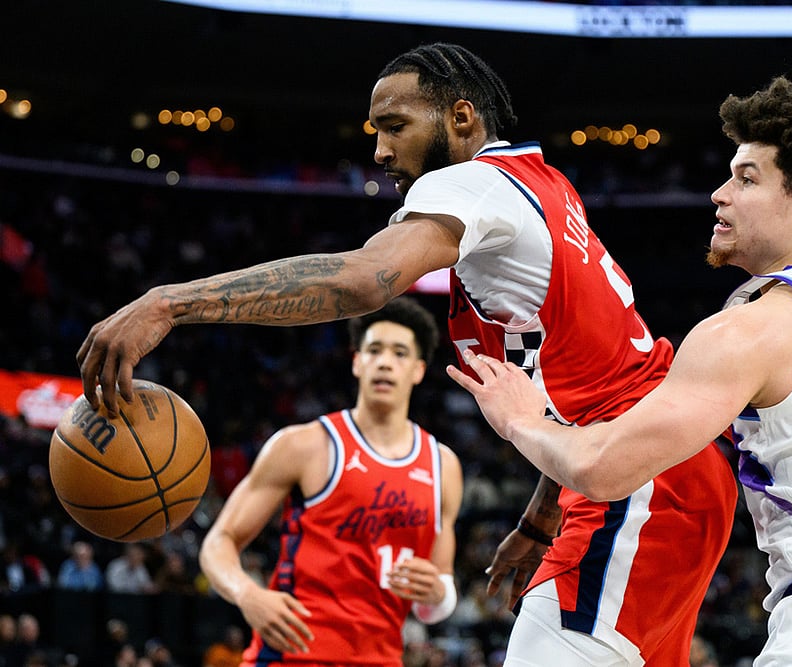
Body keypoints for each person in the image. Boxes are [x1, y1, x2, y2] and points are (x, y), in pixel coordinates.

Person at [77, 43, 737, 665]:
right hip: (659, 468)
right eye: (374, 132)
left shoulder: (470, 182)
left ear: (460, 117)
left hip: (639, 478)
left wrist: (169, 303)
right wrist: (541, 515)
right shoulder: (546, 187)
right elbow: (577, 379)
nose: (381, 149)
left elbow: (364, 278)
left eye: (394, 125)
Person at [447, 76, 792, 665]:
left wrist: (523, 421)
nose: (719, 193)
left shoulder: (757, 326)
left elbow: (604, 470)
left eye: (746, 178)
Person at [198, 297, 464, 664]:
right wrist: (248, 594)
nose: (385, 361)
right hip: (292, 655)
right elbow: (218, 541)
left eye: (400, 353)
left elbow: (437, 598)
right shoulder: (304, 445)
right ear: (357, 362)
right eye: (374, 350)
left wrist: (437, 593)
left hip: (382, 657)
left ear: (418, 370)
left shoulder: (443, 465)